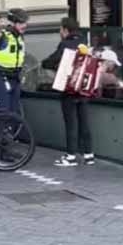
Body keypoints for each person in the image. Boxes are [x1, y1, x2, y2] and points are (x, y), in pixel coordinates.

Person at [43, 17, 95, 167]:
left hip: (69, 90)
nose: (60, 32)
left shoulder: (65, 44)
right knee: (84, 122)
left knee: (71, 123)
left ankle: (71, 156)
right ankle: (88, 155)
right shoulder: (85, 42)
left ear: (65, 29)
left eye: (60, 29)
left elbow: (52, 61)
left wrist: (45, 63)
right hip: (83, 90)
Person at [0, 9, 29, 116]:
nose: (24, 25)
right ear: (12, 23)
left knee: (14, 112)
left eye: (25, 22)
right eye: (21, 23)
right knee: (2, 112)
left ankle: (10, 132)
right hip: (2, 77)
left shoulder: (20, 37)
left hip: (15, 78)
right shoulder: (3, 35)